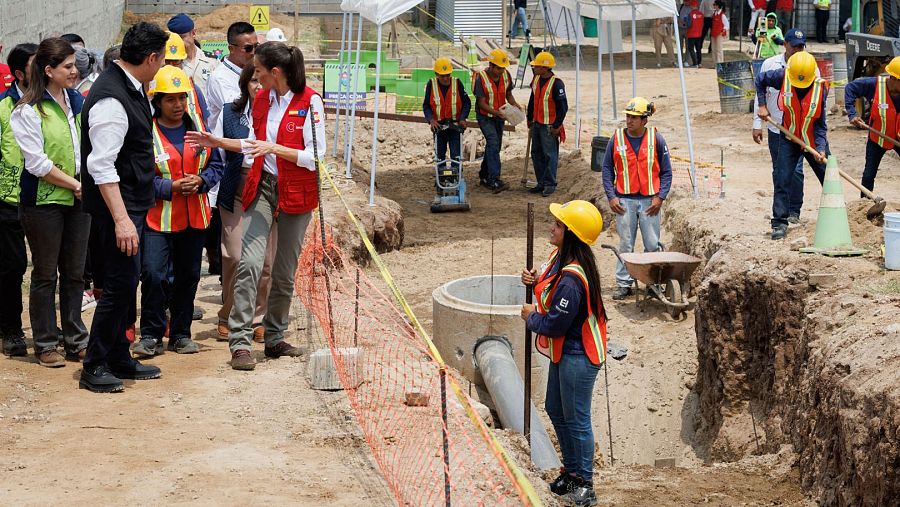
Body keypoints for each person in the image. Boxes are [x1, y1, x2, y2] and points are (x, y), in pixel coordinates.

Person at [185, 42, 325, 371]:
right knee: (248, 262)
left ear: (275, 73)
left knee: (284, 271)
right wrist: (218, 142)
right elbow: (252, 146)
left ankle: (274, 336)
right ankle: (240, 341)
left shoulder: (310, 102)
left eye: (258, 70)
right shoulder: (261, 99)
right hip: (261, 186)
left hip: (297, 192)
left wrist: (275, 148)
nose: (254, 75)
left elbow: (315, 158)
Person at [79, 21, 169, 393]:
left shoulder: (128, 88)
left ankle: (118, 354)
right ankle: (95, 363)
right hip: (119, 209)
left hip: (131, 204)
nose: (163, 66)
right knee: (118, 285)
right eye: (162, 59)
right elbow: (100, 165)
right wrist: (121, 220)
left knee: (126, 281)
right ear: (150, 58)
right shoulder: (112, 100)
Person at [519, 200, 607, 507]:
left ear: (570, 233)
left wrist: (530, 316)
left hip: (579, 354)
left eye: (557, 224)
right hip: (564, 352)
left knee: (577, 419)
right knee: (556, 409)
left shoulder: (572, 279)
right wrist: (533, 280)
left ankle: (584, 483)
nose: (551, 227)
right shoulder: (561, 258)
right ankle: (570, 473)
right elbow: (546, 279)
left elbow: (555, 323)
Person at [132, 65, 224, 358]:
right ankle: (151, 334)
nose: (178, 104)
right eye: (170, 99)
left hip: (194, 218)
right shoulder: (146, 133)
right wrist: (169, 187)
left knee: (188, 276)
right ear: (157, 101)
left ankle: (181, 334)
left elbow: (217, 165)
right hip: (157, 218)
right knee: (154, 275)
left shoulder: (199, 130)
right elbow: (140, 176)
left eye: (181, 98)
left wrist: (202, 181)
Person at [10, 37, 90, 366]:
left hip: (78, 199)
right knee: (45, 273)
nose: (75, 71)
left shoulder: (78, 102)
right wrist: (76, 185)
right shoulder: (27, 111)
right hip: (44, 203)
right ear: (49, 70)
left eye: (74, 65)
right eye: (68, 66)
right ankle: (45, 342)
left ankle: (76, 338)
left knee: (74, 272)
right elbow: (38, 164)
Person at [213, 63, 276, 343]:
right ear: (245, 84)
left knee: (265, 261)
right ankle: (228, 314)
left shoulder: (276, 114)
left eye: (263, 79)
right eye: (253, 80)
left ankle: (258, 318)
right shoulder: (230, 113)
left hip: (267, 188)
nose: (259, 85)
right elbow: (216, 153)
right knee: (236, 257)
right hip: (235, 190)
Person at [601, 97, 672, 300]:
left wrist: (660, 197)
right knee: (626, 244)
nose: (629, 120)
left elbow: (667, 171)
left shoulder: (656, 139)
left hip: (650, 202)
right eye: (628, 116)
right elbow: (607, 168)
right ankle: (624, 283)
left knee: (652, 244)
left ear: (644, 120)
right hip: (624, 201)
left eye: (634, 117)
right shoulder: (616, 139)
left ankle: (653, 283)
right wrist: (611, 196)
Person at [756, 50, 829, 240]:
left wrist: (820, 148)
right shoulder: (783, 76)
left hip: (812, 139)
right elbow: (760, 80)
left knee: (828, 178)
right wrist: (762, 105)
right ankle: (779, 222)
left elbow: (821, 124)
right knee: (782, 178)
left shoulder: (821, 88)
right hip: (789, 137)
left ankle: (836, 216)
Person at [752, 28, 812, 226]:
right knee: (780, 170)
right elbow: (759, 93)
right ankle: (782, 211)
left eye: (801, 47)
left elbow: (818, 95)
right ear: (785, 44)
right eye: (794, 46)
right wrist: (757, 124)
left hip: (798, 129)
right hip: (776, 127)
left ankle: (795, 209)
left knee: (796, 170)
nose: (798, 50)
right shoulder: (771, 64)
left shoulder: (810, 65)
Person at [0, 43, 37, 358]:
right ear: (18, 74)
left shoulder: (57, 104)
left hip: (50, 197)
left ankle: (48, 331)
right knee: (13, 266)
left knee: (52, 267)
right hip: (9, 200)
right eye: (35, 66)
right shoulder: (3, 108)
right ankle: (11, 330)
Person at [844, 56, 900, 193]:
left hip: (898, 138)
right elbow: (850, 88)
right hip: (877, 138)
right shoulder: (875, 85)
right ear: (893, 78)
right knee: (869, 175)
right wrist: (852, 114)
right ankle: (864, 206)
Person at [474, 49, 522, 193]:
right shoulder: (480, 78)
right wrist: (496, 112)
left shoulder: (506, 75)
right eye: (499, 68)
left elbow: (508, 93)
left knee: (495, 145)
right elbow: (481, 103)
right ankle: (494, 179)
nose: (501, 71)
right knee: (493, 142)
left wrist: (514, 104)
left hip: (500, 115)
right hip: (485, 116)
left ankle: (484, 175)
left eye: (503, 68)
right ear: (491, 65)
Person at [527, 51, 567, 197]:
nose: (534, 68)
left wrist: (557, 125)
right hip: (537, 123)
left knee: (550, 154)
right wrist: (529, 118)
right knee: (536, 153)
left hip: (549, 126)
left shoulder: (557, 83)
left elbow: (563, 107)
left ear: (544, 68)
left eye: (536, 66)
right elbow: (533, 100)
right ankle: (541, 182)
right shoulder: (536, 80)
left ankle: (550, 183)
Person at [423, 57, 470, 177]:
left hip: (455, 126)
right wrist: (431, 120)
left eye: (447, 75)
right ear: (436, 74)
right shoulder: (431, 85)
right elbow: (426, 105)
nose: (445, 78)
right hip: (439, 127)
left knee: (456, 155)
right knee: (440, 156)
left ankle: (456, 178)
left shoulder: (457, 83)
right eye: (442, 75)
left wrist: (463, 118)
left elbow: (466, 102)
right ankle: (441, 179)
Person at [206, 21, 256, 129]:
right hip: (225, 142)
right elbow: (235, 109)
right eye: (248, 48)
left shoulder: (256, 71)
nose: (253, 52)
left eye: (256, 46)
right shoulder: (219, 78)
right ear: (231, 49)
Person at [162, 31, 210, 125]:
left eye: (176, 62)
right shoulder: (149, 89)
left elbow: (204, 123)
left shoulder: (193, 89)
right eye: (167, 61)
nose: (171, 66)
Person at [167, 13, 218, 94]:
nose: (178, 42)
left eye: (181, 37)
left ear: (193, 33)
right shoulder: (171, 64)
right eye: (175, 38)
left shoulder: (212, 61)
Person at [686, 1, 706, 67]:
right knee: (698, 49)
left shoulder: (690, 14)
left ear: (691, 6)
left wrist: (685, 22)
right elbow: (703, 24)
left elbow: (689, 24)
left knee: (691, 48)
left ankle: (695, 63)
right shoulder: (701, 14)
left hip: (691, 34)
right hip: (699, 34)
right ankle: (699, 62)